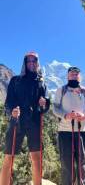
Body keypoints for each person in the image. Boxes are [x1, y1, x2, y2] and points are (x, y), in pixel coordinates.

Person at [0, 52, 50, 185]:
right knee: (8, 158)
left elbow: (45, 103)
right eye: (29, 61)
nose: (32, 63)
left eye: (34, 61)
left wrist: (44, 104)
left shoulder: (41, 83)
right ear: (25, 63)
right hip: (17, 121)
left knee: (36, 158)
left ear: (37, 63)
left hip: (34, 122)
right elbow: (8, 102)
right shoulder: (15, 80)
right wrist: (12, 111)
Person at [53, 66, 85, 185]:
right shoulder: (61, 90)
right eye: (72, 74)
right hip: (64, 132)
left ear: (80, 76)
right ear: (67, 76)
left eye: (76, 74)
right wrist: (66, 116)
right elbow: (55, 108)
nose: (74, 76)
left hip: (82, 131)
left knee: (82, 163)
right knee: (66, 164)